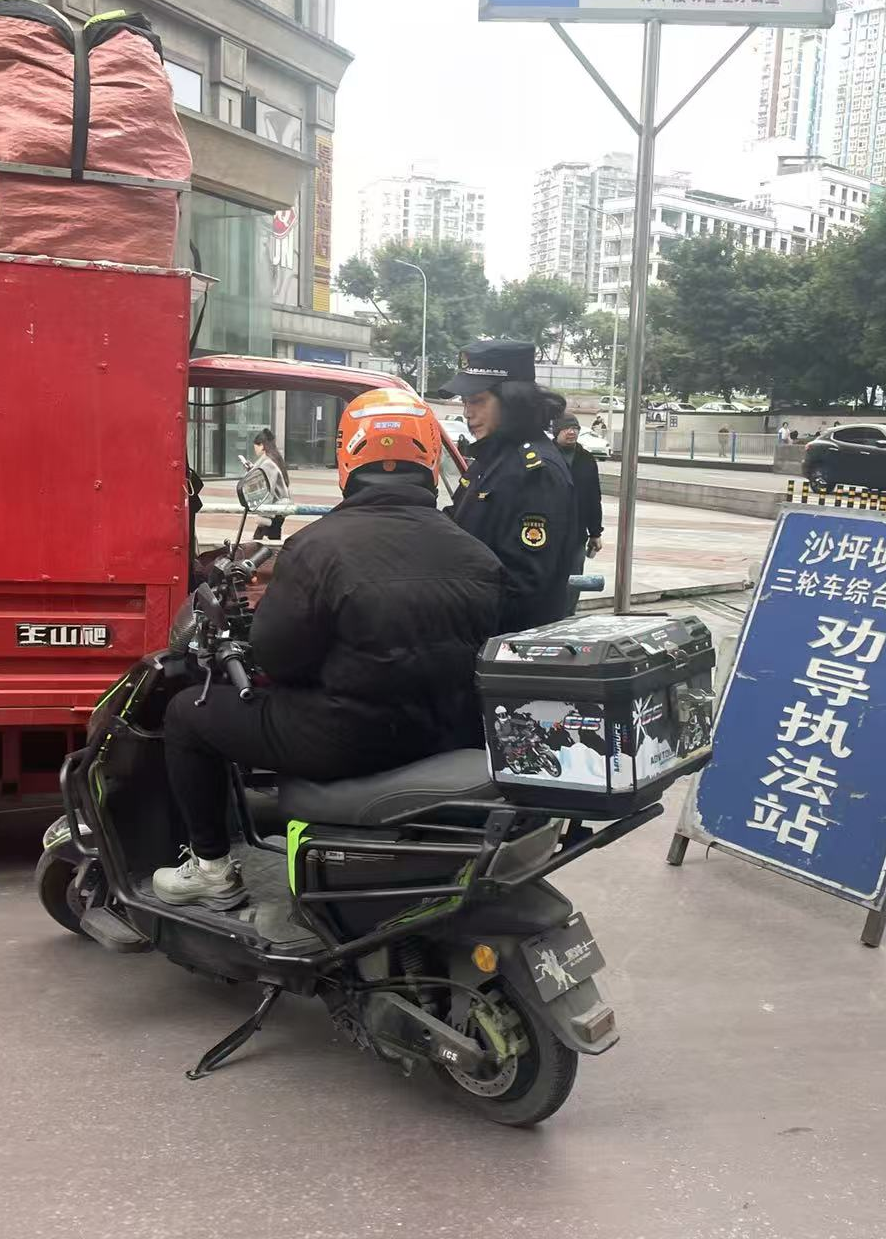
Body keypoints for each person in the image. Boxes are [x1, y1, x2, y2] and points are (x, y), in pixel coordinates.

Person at [151, 388, 505, 908]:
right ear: (431, 458)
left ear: (347, 457)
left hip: (348, 740)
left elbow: (277, 659)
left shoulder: (316, 547)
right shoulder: (478, 554)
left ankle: (211, 869)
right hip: (443, 734)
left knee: (187, 713)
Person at [439, 339, 577, 632]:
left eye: (477, 401)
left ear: (513, 401)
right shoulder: (491, 457)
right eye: (465, 402)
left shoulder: (535, 470)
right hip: (476, 631)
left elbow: (523, 585)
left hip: (506, 642)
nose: (467, 413)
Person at [550, 413, 603, 616]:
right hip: (548, 531)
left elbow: (593, 497)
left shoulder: (586, 459)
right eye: (566, 428)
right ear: (556, 432)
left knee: (574, 577)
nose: (571, 432)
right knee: (549, 575)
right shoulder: (545, 455)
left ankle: (568, 614)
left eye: (575, 428)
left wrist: (595, 532)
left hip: (576, 532)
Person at [248, 428, 290, 542]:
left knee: (260, 544)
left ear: (262, 446)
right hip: (277, 510)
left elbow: (267, 490)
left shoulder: (268, 463)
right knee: (272, 542)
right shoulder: (275, 459)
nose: (255, 450)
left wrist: (264, 515)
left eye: (255, 447)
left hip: (272, 511)